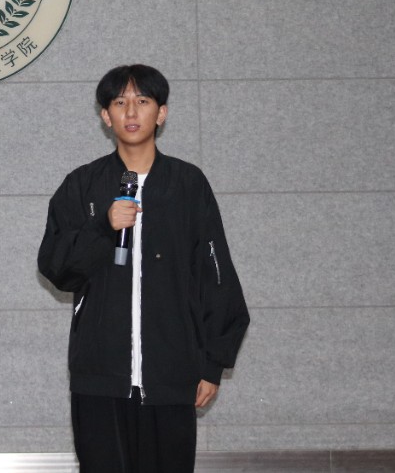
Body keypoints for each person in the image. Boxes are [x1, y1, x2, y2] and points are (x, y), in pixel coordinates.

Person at [37, 65, 249, 473]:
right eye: (120, 102)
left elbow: (216, 276)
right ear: (106, 116)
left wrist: (211, 364)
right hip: (99, 377)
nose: (131, 111)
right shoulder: (82, 185)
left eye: (143, 101)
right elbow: (56, 267)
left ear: (161, 113)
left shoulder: (188, 185)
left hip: (172, 375)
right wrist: (103, 227)